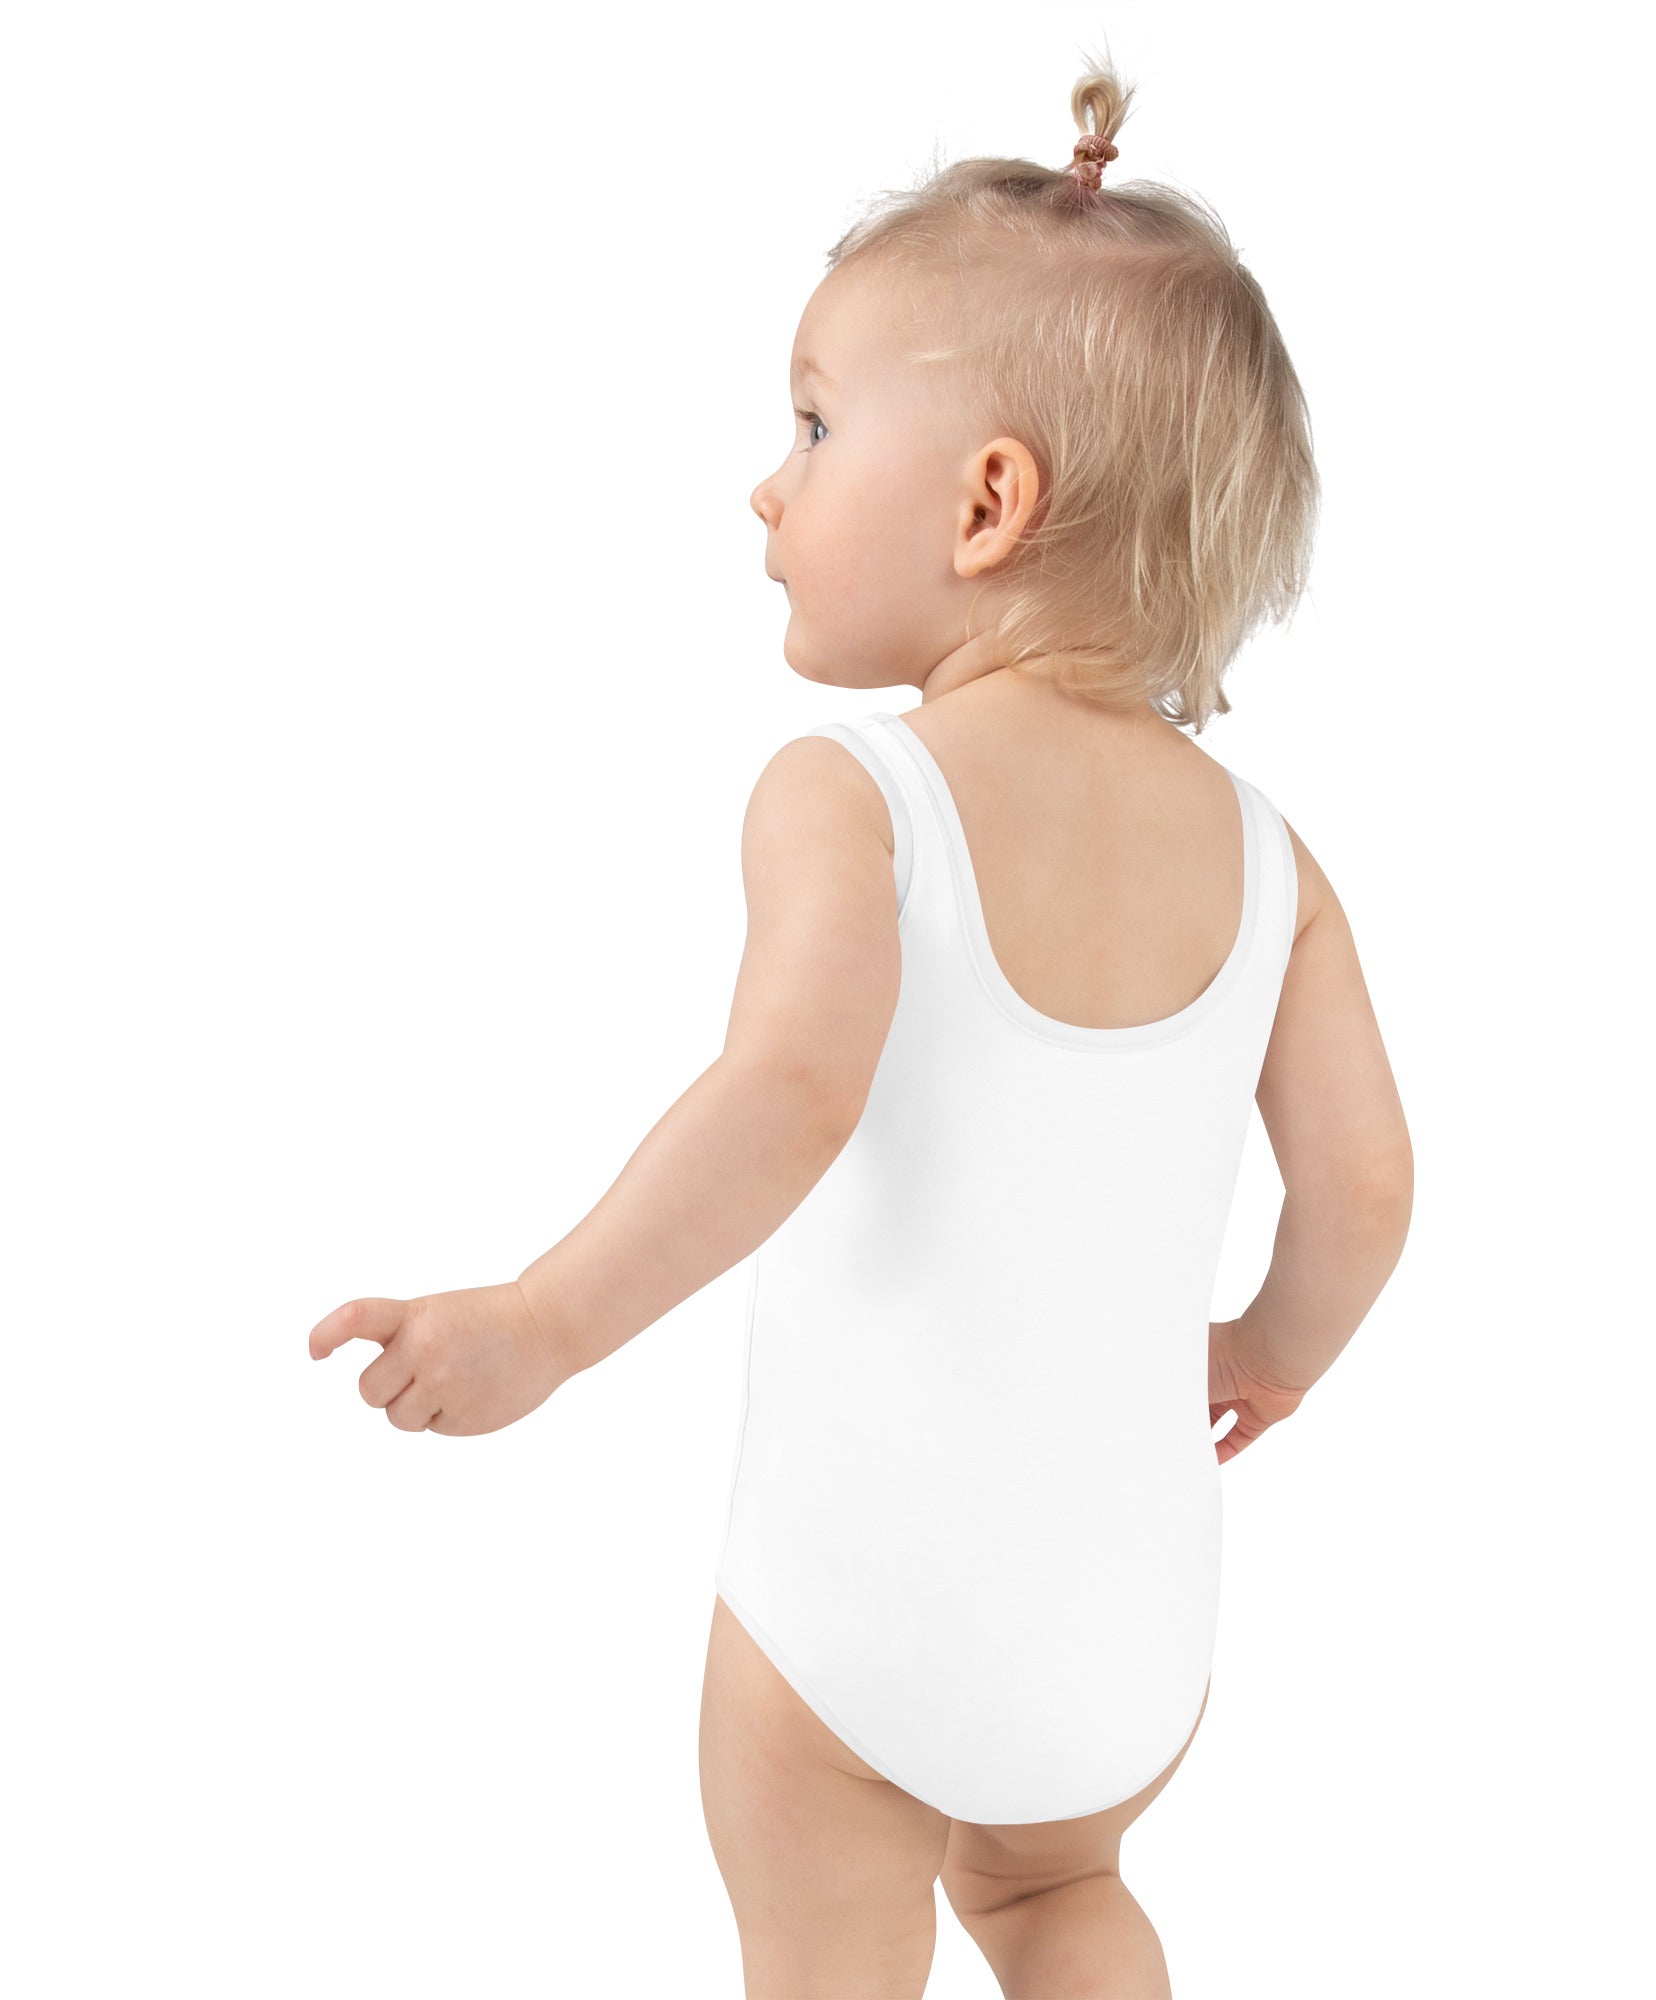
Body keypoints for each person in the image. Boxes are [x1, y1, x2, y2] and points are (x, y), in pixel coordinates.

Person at [309, 52, 1413, 2000]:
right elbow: (1367, 1181)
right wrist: (1267, 1347)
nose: (767, 478)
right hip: (1126, 1630)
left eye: (813, 426)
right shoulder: (1269, 855)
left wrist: (538, 1323)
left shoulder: (854, 795)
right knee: (1056, 1900)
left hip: (863, 1600)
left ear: (988, 505)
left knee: (827, 1929)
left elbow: (790, 1089)